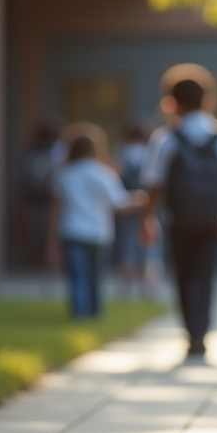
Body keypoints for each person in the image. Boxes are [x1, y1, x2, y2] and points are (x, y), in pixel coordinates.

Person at [141, 64, 217, 359]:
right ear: (208, 100)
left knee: (183, 275)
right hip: (211, 217)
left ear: (171, 103)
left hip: (178, 218)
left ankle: (191, 331)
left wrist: (147, 218)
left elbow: (154, 184)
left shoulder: (165, 139)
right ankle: (201, 332)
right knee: (205, 274)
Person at [48, 125, 145, 318]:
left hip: (71, 231)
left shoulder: (64, 174)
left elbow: (56, 208)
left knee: (77, 275)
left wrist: (50, 237)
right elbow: (119, 203)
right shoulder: (102, 172)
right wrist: (138, 199)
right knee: (95, 275)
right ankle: (93, 312)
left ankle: (79, 314)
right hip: (97, 232)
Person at [115, 123, 158, 299]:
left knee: (127, 248)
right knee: (150, 248)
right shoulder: (151, 154)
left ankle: (126, 290)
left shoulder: (122, 155)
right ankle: (149, 290)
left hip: (128, 204)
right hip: (148, 205)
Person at [17, 122, 61, 268]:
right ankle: (48, 265)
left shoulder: (31, 152)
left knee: (38, 234)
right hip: (50, 200)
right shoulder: (58, 151)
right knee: (51, 234)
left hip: (34, 201)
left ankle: (41, 264)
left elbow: (23, 179)